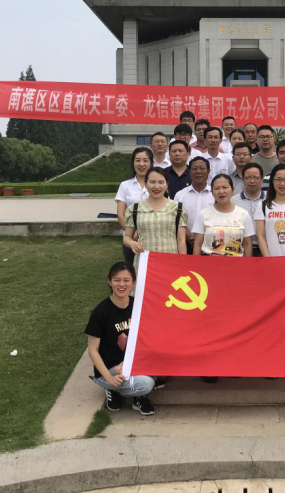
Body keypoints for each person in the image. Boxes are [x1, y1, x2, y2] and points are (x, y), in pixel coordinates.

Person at [85, 262, 156, 415]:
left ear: (133, 282)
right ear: (109, 281)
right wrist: (109, 378)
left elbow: (148, 339)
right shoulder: (101, 312)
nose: (121, 284)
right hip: (110, 369)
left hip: (134, 362)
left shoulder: (138, 305)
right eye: (117, 280)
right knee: (146, 384)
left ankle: (137, 397)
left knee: (161, 362)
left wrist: (128, 362)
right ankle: (112, 388)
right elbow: (92, 351)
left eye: (126, 280)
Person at [123, 168, 188, 257]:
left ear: (167, 184)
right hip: (144, 260)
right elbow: (127, 237)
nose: (156, 186)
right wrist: (131, 243)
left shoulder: (177, 208)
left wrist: (182, 261)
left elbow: (181, 240)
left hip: (170, 260)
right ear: (145, 184)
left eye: (161, 182)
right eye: (152, 182)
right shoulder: (135, 209)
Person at [192, 173, 255, 257]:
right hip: (209, 262)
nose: (221, 191)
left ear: (232, 190)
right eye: (217, 188)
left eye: (225, 187)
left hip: (236, 262)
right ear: (212, 192)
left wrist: (247, 264)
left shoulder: (243, 214)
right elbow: (197, 245)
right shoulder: (203, 214)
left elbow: (247, 245)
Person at [115, 147, 152, 266]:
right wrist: (131, 233)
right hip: (131, 239)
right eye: (138, 160)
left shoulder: (157, 185)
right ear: (133, 163)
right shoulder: (125, 185)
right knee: (131, 270)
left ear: (151, 163)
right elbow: (120, 214)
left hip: (152, 236)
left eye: (145, 160)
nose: (141, 164)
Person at [174, 157, 214, 254]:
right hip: (185, 244)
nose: (198, 171)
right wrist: (189, 236)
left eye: (202, 168)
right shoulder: (180, 195)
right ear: (189, 171)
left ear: (208, 171)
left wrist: (204, 238)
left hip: (212, 244)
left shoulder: (215, 194)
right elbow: (176, 219)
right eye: (195, 169)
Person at [232, 162, 265, 256]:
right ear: (243, 179)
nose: (252, 181)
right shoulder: (233, 201)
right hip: (241, 248)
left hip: (265, 248)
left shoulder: (269, 199)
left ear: (262, 179)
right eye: (248, 178)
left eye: (256, 178)